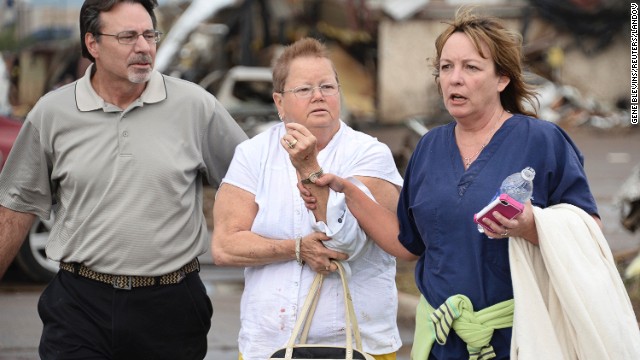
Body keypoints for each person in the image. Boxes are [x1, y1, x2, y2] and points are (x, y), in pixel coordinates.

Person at [304, 7, 601, 360]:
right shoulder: (429, 147)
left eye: (471, 67)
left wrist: (531, 226)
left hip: (521, 340)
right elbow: (407, 243)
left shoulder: (541, 141)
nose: (454, 79)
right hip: (442, 343)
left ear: (502, 78)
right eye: (446, 67)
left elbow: (590, 232)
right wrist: (349, 192)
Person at [0, 0, 247, 358]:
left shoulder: (196, 106)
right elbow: (15, 208)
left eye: (149, 35)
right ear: (93, 44)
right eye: (128, 36)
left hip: (171, 307)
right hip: (80, 305)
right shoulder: (52, 113)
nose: (144, 47)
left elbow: (251, 182)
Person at [211, 37, 404, 360]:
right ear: (279, 102)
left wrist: (309, 168)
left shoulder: (370, 153)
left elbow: (345, 244)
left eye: (327, 86)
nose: (318, 96)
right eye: (304, 89)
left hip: (358, 344)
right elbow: (225, 246)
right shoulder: (252, 154)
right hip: (268, 343)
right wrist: (296, 248)